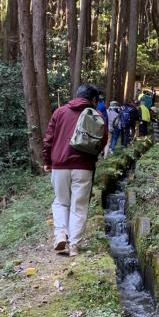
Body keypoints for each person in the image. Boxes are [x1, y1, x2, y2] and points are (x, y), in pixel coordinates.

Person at [43, 83, 108, 257]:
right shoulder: (97, 115)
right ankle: (74, 246)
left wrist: (47, 161)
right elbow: (102, 141)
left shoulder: (60, 112)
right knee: (79, 206)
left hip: (60, 165)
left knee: (61, 202)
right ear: (93, 100)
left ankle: (61, 234)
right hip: (84, 168)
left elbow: (48, 138)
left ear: (77, 95)